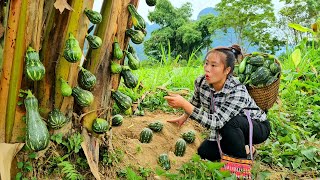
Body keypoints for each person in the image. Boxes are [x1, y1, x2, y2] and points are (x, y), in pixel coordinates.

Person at [164, 45, 271, 161]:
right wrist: (184, 117)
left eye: (213, 65)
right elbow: (195, 102)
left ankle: (241, 163)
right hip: (229, 128)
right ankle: (246, 148)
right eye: (206, 63)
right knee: (204, 152)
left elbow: (217, 122)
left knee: (230, 124)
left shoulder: (237, 90)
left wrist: (184, 104)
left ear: (227, 70)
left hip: (255, 127)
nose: (207, 69)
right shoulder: (201, 82)